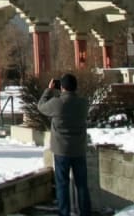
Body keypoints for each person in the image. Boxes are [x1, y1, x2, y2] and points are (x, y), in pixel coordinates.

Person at [37, 73, 92, 216]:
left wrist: (49, 90)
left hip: (61, 150)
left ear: (61, 87)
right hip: (79, 149)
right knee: (82, 185)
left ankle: (64, 212)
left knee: (62, 184)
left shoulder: (57, 103)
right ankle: (85, 212)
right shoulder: (83, 103)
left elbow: (41, 106)